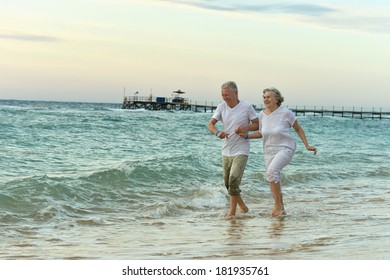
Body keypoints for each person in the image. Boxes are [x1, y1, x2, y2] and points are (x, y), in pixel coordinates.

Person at [237, 87, 316, 217]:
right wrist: (246, 136)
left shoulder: (286, 113)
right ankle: (281, 209)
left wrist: (307, 145)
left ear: (277, 99)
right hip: (269, 150)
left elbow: (298, 129)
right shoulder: (262, 114)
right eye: (264, 97)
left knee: (272, 172)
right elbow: (261, 133)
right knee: (272, 177)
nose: (265, 99)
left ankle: (277, 207)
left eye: (268, 97)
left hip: (286, 148)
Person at [208, 81, 259, 219]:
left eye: (227, 95)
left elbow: (257, 124)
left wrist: (245, 128)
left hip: (241, 149)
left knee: (234, 179)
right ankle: (243, 207)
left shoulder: (246, 107)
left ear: (236, 93)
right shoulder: (221, 107)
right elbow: (211, 124)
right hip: (226, 150)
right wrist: (218, 133)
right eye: (223, 95)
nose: (225, 97)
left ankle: (232, 212)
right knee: (228, 184)